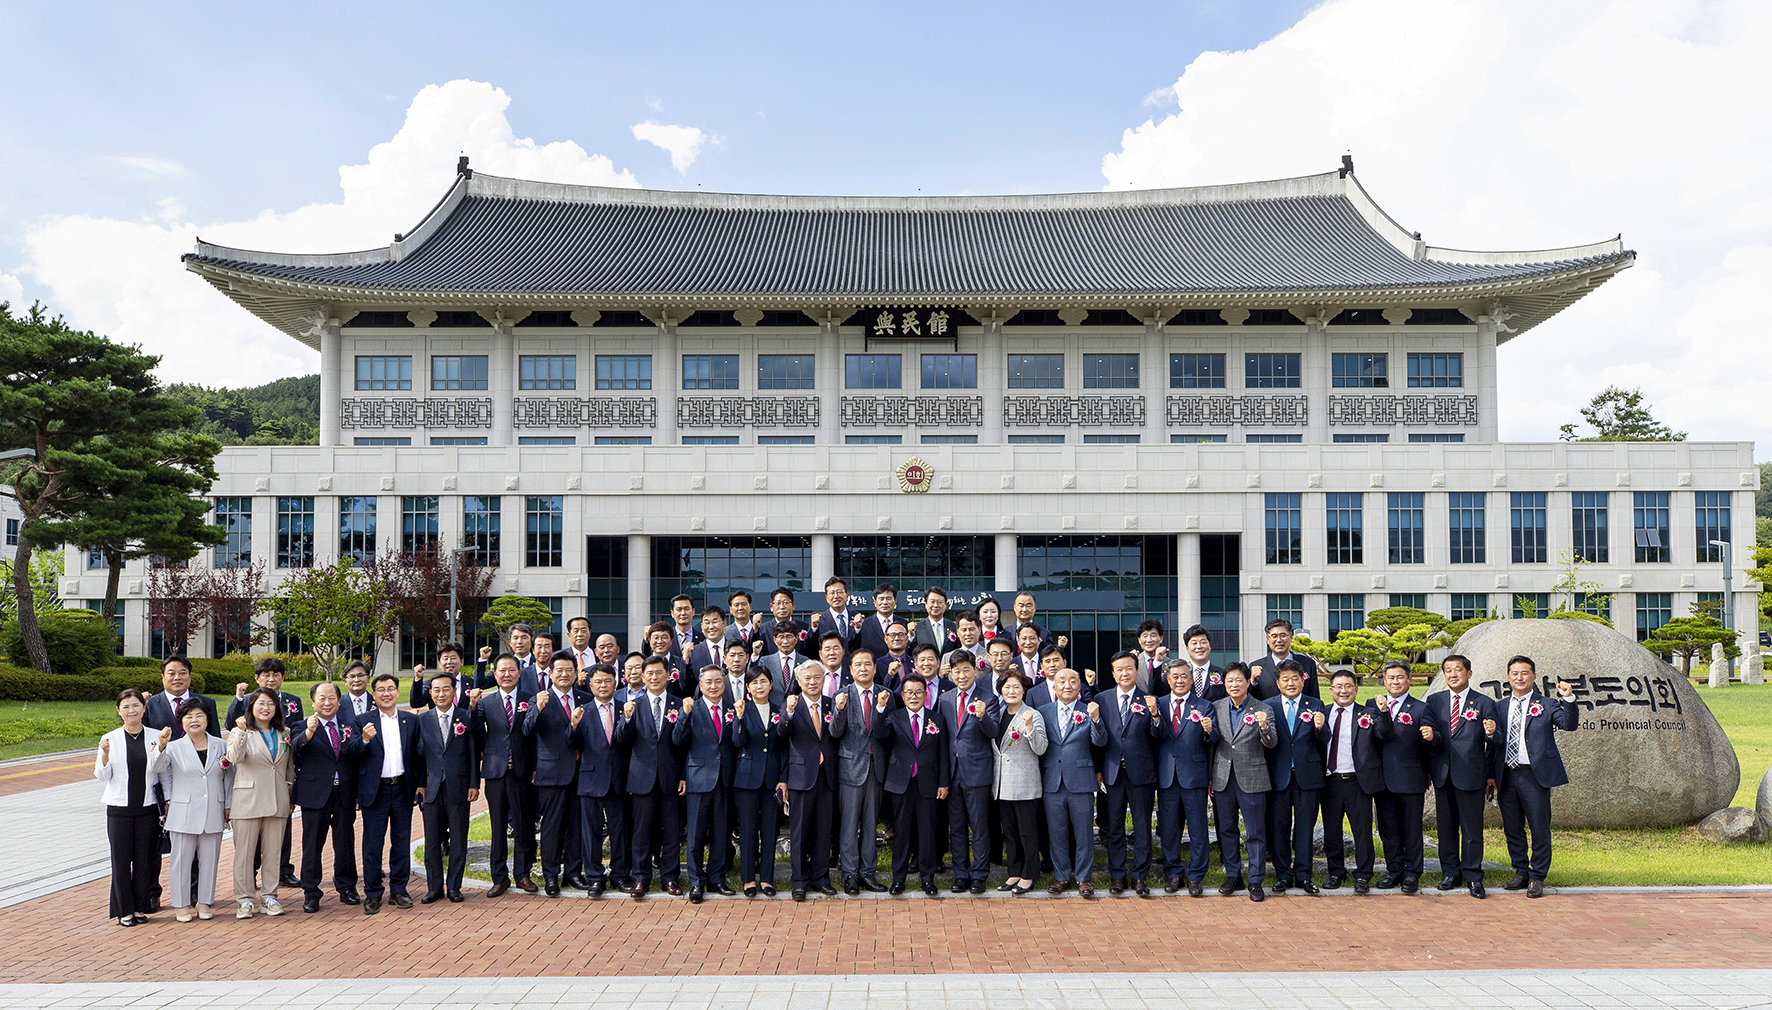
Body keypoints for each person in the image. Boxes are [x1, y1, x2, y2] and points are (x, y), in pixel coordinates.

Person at [1493, 655, 1579, 898]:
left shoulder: (1547, 704)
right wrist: (1490, 776)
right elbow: (1494, 744)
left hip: (1534, 776)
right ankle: (1521, 871)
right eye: (1515, 673)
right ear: (1508, 677)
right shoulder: (1499, 707)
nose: (1519, 677)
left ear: (1533, 676)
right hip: (1506, 775)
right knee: (1512, 828)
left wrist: (1568, 699)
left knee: (1539, 827)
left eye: (1525, 673)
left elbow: (1569, 724)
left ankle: (1537, 876)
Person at [1427, 653, 1498, 898]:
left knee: (1471, 830)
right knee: (1446, 829)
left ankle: (1473, 876)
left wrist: (1491, 733)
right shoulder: (1434, 701)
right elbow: (1429, 738)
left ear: (1468, 673)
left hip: (1471, 775)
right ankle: (1450, 873)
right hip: (1443, 775)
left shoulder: (1484, 703)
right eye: (1448, 670)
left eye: (1457, 669)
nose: (1453, 674)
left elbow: (1495, 742)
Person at [153, 700, 230, 922]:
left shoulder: (220, 745)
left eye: (199, 715)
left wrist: (228, 805)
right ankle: (181, 904)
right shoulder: (174, 747)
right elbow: (156, 767)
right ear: (181, 722)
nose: (194, 720)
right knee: (181, 861)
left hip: (213, 809)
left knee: (210, 860)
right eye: (188, 716)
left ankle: (204, 902)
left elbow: (229, 777)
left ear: (207, 719)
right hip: (183, 812)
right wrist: (161, 746)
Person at [869, 673, 946, 895]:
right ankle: (898, 879)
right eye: (909, 692)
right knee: (901, 833)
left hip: (928, 783)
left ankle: (928, 879)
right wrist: (880, 708)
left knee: (927, 832)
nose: (914, 696)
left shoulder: (936, 719)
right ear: (902, 696)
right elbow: (879, 733)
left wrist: (943, 783)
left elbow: (943, 754)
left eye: (918, 692)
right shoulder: (894, 717)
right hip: (900, 783)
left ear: (926, 694)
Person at [354, 672, 423, 915]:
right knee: (373, 844)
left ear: (397, 692)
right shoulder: (362, 721)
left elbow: (418, 756)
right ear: (374, 695)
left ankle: (399, 890)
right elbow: (351, 753)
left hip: (403, 787)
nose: (386, 693)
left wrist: (420, 784)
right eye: (381, 689)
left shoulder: (410, 720)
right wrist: (364, 739)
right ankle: (373, 893)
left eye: (391, 688)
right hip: (376, 790)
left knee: (401, 841)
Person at [618, 655, 686, 899]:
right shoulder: (633, 705)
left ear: (668, 675)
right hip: (641, 778)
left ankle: (670, 878)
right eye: (650, 673)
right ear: (642, 677)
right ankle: (641, 878)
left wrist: (683, 776)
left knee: (671, 832)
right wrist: (626, 719)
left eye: (659, 672)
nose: (655, 677)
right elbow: (622, 740)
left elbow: (685, 744)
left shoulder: (679, 704)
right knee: (641, 832)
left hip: (670, 777)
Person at [472, 653, 539, 895]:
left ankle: (522, 874)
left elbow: (534, 735)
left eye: (512, 670)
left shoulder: (529, 699)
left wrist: (534, 767)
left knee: (523, 825)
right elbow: (475, 731)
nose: (507, 674)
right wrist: (471, 707)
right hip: (496, 772)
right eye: (502, 670)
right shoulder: (485, 702)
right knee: (498, 826)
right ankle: (499, 878)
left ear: (519, 673)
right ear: (495, 674)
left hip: (521, 772)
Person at [291, 681, 361, 912]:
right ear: (313, 702)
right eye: (321, 698)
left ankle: (347, 887)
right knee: (312, 845)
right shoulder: (301, 725)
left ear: (339, 702)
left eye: (332, 698)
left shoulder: (349, 725)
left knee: (345, 843)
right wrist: (309, 733)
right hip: (315, 794)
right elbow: (295, 749)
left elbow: (355, 756)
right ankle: (311, 892)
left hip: (344, 793)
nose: (327, 702)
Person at [526, 654, 592, 896]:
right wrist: (537, 709)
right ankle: (550, 875)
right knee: (552, 826)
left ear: (575, 673)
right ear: (551, 674)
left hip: (582, 772)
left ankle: (573, 873)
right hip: (551, 773)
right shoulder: (540, 699)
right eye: (559, 670)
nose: (564, 674)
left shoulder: (585, 699)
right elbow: (527, 731)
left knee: (576, 825)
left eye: (569, 670)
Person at [1211, 663, 1277, 901]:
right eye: (1229, 680)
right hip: (1223, 778)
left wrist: (1264, 726)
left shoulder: (1263, 708)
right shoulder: (1216, 707)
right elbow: (1212, 742)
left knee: (1255, 832)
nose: (1234, 685)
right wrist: (1210, 777)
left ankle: (1256, 880)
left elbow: (1271, 742)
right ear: (1224, 683)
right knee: (1227, 829)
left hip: (1253, 777)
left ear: (1248, 682)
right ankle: (1233, 876)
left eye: (1239, 680)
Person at [1371, 659, 1438, 894]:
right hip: (1381, 779)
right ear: (1384, 680)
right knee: (1388, 829)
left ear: (1409, 680)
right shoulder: (1372, 705)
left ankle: (1412, 873)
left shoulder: (1421, 708)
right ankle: (1394, 871)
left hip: (1410, 778)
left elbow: (1433, 743)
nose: (1395, 681)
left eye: (1400, 677)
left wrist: (1432, 737)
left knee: (1411, 829)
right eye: (1391, 677)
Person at [227, 687, 294, 918]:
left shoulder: (284, 732)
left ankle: (269, 897)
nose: (266, 708)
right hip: (248, 801)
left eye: (270, 703)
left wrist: (288, 791)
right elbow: (234, 758)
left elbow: (288, 767)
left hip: (277, 799)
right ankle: (244, 900)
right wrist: (241, 731)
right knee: (244, 855)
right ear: (251, 707)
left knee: (273, 853)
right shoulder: (240, 731)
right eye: (261, 703)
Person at [1097, 650, 1159, 897]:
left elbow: (1158, 736)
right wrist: (1098, 769)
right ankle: (1117, 875)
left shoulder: (1149, 700)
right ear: (1113, 674)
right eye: (1119, 669)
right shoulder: (1101, 700)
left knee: (1142, 827)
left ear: (1137, 670)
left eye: (1129, 668)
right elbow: (1096, 739)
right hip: (1111, 774)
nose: (1125, 673)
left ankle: (1140, 876)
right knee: (1114, 827)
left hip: (1141, 773)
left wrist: (1155, 714)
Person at [97, 689, 161, 926]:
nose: (131, 710)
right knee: (121, 861)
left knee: (145, 859)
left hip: (147, 807)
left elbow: (162, 771)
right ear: (118, 711)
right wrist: (104, 755)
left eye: (136, 705)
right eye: (125, 707)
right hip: (119, 809)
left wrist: (166, 802)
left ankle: (140, 907)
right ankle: (124, 911)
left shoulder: (156, 736)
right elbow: (102, 775)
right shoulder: (109, 739)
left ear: (144, 708)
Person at [1038, 668, 1104, 896]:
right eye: (1062, 681)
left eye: (1073, 681)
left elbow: (1100, 741)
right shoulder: (1043, 711)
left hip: (1081, 780)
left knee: (1084, 833)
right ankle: (1061, 876)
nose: (1067, 685)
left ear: (1079, 686)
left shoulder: (1089, 710)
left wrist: (1095, 720)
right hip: (1052, 780)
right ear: (1054, 686)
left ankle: (1084, 878)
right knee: (1056, 833)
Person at [830, 650, 891, 894]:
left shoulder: (886, 694)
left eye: (868, 664)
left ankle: (867, 873)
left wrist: (880, 709)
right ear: (851, 669)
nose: (863, 668)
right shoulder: (841, 694)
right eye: (858, 664)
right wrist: (839, 710)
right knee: (848, 825)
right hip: (850, 768)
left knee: (870, 824)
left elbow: (885, 733)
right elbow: (835, 732)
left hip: (876, 767)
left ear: (875, 668)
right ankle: (849, 875)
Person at [1265, 661, 1328, 895]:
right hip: (1278, 776)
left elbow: (1324, 740)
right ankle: (1282, 875)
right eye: (1285, 679)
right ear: (1278, 683)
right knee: (1279, 828)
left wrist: (1320, 727)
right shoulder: (1268, 706)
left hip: (1307, 776)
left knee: (1305, 828)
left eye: (1295, 678)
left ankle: (1304, 875)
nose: (1290, 683)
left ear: (1303, 680)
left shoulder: (1315, 704)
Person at [674, 667, 735, 903]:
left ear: (724, 684)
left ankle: (716, 879)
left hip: (724, 779)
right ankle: (696, 882)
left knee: (721, 832)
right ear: (700, 685)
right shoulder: (692, 708)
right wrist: (684, 714)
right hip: (698, 778)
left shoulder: (732, 709)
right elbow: (678, 740)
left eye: (718, 681)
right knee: (696, 834)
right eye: (708, 682)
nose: (713, 686)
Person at [416, 672, 479, 903]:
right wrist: (420, 785)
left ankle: (454, 887)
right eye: (436, 690)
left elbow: (473, 753)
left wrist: (474, 783)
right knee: (432, 841)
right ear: (431, 693)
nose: (441, 694)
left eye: (446, 689)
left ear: (454, 691)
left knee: (459, 839)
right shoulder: (422, 719)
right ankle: (434, 888)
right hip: (432, 788)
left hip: (459, 786)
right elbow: (418, 757)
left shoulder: (465, 716)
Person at [568, 662, 629, 896]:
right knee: (591, 832)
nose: (603, 685)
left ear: (616, 683)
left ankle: (619, 875)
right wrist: (573, 726)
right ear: (590, 685)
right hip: (591, 779)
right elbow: (571, 745)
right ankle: (595, 877)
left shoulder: (625, 708)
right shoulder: (582, 711)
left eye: (608, 681)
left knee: (619, 831)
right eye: (598, 681)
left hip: (619, 779)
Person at [940, 651, 998, 895]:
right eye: (956, 670)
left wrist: (983, 716)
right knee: (957, 828)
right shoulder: (945, 699)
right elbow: (944, 739)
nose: (961, 675)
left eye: (966, 669)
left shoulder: (988, 698)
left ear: (975, 670)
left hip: (977, 772)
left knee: (979, 827)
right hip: (952, 774)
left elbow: (994, 732)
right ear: (951, 673)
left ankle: (980, 875)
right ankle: (961, 874)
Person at [1319, 670, 1382, 894]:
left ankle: (1363, 874)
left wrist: (1383, 713)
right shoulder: (1322, 713)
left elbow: (1384, 735)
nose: (1343, 690)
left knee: (1362, 831)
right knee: (1332, 831)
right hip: (1330, 782)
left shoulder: (1368, 714)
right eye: (1338, 686)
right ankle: (1336, 872)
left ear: (1356, 689)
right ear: (1331, 690)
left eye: (1348, 686)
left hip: (1357, 781)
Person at [1154, 663, 1214, 896]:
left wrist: (1209, 731)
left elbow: (1214, 740)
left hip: (1194, 775)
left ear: (1191, 680)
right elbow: (1152, 735)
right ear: (1168, 680)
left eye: (1184, 676)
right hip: (1166, 775)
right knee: (1169, 829)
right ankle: (1173, 873)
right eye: (1175, 677)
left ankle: (1196, 876)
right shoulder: (1158, 704)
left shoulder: (1204, 706)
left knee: (1198, 829)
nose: (1180, 680)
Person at [781, 661, 840, 900]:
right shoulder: (790, 703)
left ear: (824, 678)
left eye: (817, 677)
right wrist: (789, 712)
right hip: (801, 776)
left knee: (823, 831)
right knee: (800, 832)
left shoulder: (830, 703)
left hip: (827, 775)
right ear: (799, 680)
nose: (813, 682)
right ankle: (799, 881)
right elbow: (782, 732)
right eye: (807, 678)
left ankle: (821, 878)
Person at [989, 671, 1047, 894]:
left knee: (1027, 832)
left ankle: (1029, 874)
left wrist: (1030, 728)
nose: (1011, 691)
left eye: (1016, 687)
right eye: (1007, 687)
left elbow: (1041, 748)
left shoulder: (1032, 714)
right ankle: (1014, 872)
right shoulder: (998, 713)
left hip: (1024, 784)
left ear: (1024, 690)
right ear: (1001, 690)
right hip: (1002, 784)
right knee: (1010, 833)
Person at [730, 667, 785, 897]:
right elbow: (737, 741)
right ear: (748, 687)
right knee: (748, 830)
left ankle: (767, 879)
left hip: (772, 779)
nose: (759, 686)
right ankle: (748, 879)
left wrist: (783, 779)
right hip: (747, 778)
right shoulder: (743, 709)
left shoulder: (779, 710)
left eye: (763, 681)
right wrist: (739, 718)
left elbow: (784, 748)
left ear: (771, 684)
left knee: (770, 830)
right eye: (754, 683)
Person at [1248, 618, 1321, 700]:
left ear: (1290, 637)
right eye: (1274, 636)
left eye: (1283, 635)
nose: (1279, 640)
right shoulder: (1256, 666)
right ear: (1268, 639)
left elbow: (1314, 697)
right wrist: (1253, 682)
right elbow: (1249, 700)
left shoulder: (1308, 663)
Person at [760, 621, 808, 700]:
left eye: (789, 636)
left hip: (797, 705)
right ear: (774, 640)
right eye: (781, 637)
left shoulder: (805, 662)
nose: (785, 641)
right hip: (772, 706)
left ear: (796, 638)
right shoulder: (765, 661)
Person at [811, 576, 860, 651]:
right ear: (827, 598)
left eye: (840, 592)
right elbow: (810, 647)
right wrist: (813, 628)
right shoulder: (819, 620)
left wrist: (857, 629)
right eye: (832, 593)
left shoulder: (857, 618)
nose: (836, 596)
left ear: (847, 595)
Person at [1179, 625, 1226, 703]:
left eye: (1203, 642)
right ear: (1187, 649)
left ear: (1209, 645)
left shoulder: (1222, 674)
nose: (1199, 646)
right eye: (1194, 643)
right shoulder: (1180, 674)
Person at [855, 584, 900, 661]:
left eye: (889, 598)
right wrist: (857, 628)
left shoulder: (904, 624)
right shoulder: (864, 625)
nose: (885, 602)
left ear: (895, 601)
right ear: (875, 602)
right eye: (881, 599)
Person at [759, 586, 804, 656]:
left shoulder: (804, 627)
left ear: (793, 606)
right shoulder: (762, 630)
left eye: (786, 602)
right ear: (771, 607)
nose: (782, 607)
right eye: (778, 603)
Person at [686, 606, 730, 675]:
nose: (711, 627)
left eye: (715, 622)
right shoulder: (694, 652)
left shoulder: (733, 648)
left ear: (724, 624)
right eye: (707, 623)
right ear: (702, 626)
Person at [912, 586, 956, 654]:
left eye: (939, 602)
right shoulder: (917, 628)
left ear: (945, 605)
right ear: (926, 604)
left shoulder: (954, 627)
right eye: (932, 602)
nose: (935, 605)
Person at [1132, 619, 1170, 696]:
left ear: (1161, 638)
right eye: (1145, 636)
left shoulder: (1170, 664)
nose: (1149, 640)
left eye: (1153, 635)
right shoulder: (1133, 662)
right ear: (1139, 640)